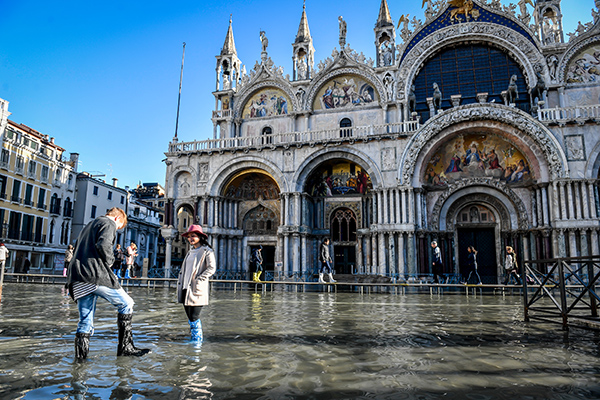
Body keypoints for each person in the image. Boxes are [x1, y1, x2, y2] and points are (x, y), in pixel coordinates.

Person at [65, 207, 150, 360]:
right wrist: (110, 262)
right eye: (119, 227)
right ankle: (125, 347)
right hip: (94, 274)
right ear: (117, 219)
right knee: (127, 303)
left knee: (85, 321)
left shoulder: (90, 225)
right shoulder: (108, 223)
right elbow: (104, 245)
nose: (117, 230)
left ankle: (80, 359)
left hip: (76, 277)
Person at [176, 225, 216, 344]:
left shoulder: (207, 251)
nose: (190, 238)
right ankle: (193, 338)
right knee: (190, 317)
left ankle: (197, 342)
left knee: (194, 317)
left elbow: (212, 268)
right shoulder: (190, 251)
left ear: (200, 237)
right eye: (189, 236)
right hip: (185, 287)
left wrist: (199, 279)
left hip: (196, 288)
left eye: (193, 236)